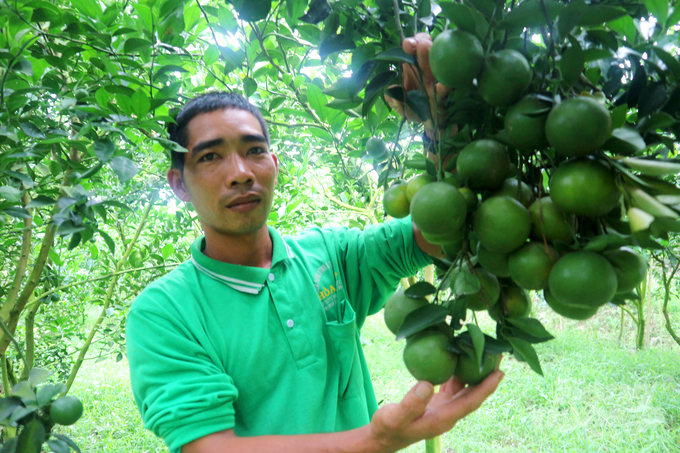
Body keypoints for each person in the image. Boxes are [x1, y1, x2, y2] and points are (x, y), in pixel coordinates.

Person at [126, 35, 504, 453]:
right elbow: (210, 447)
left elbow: (437, 231)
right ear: (179, 183)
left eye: (254, 150)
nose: (239, 173)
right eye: (211, 157)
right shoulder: (164, 313)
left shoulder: (329, 256)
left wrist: (438, 123)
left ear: (273, 165)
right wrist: (372, 441)